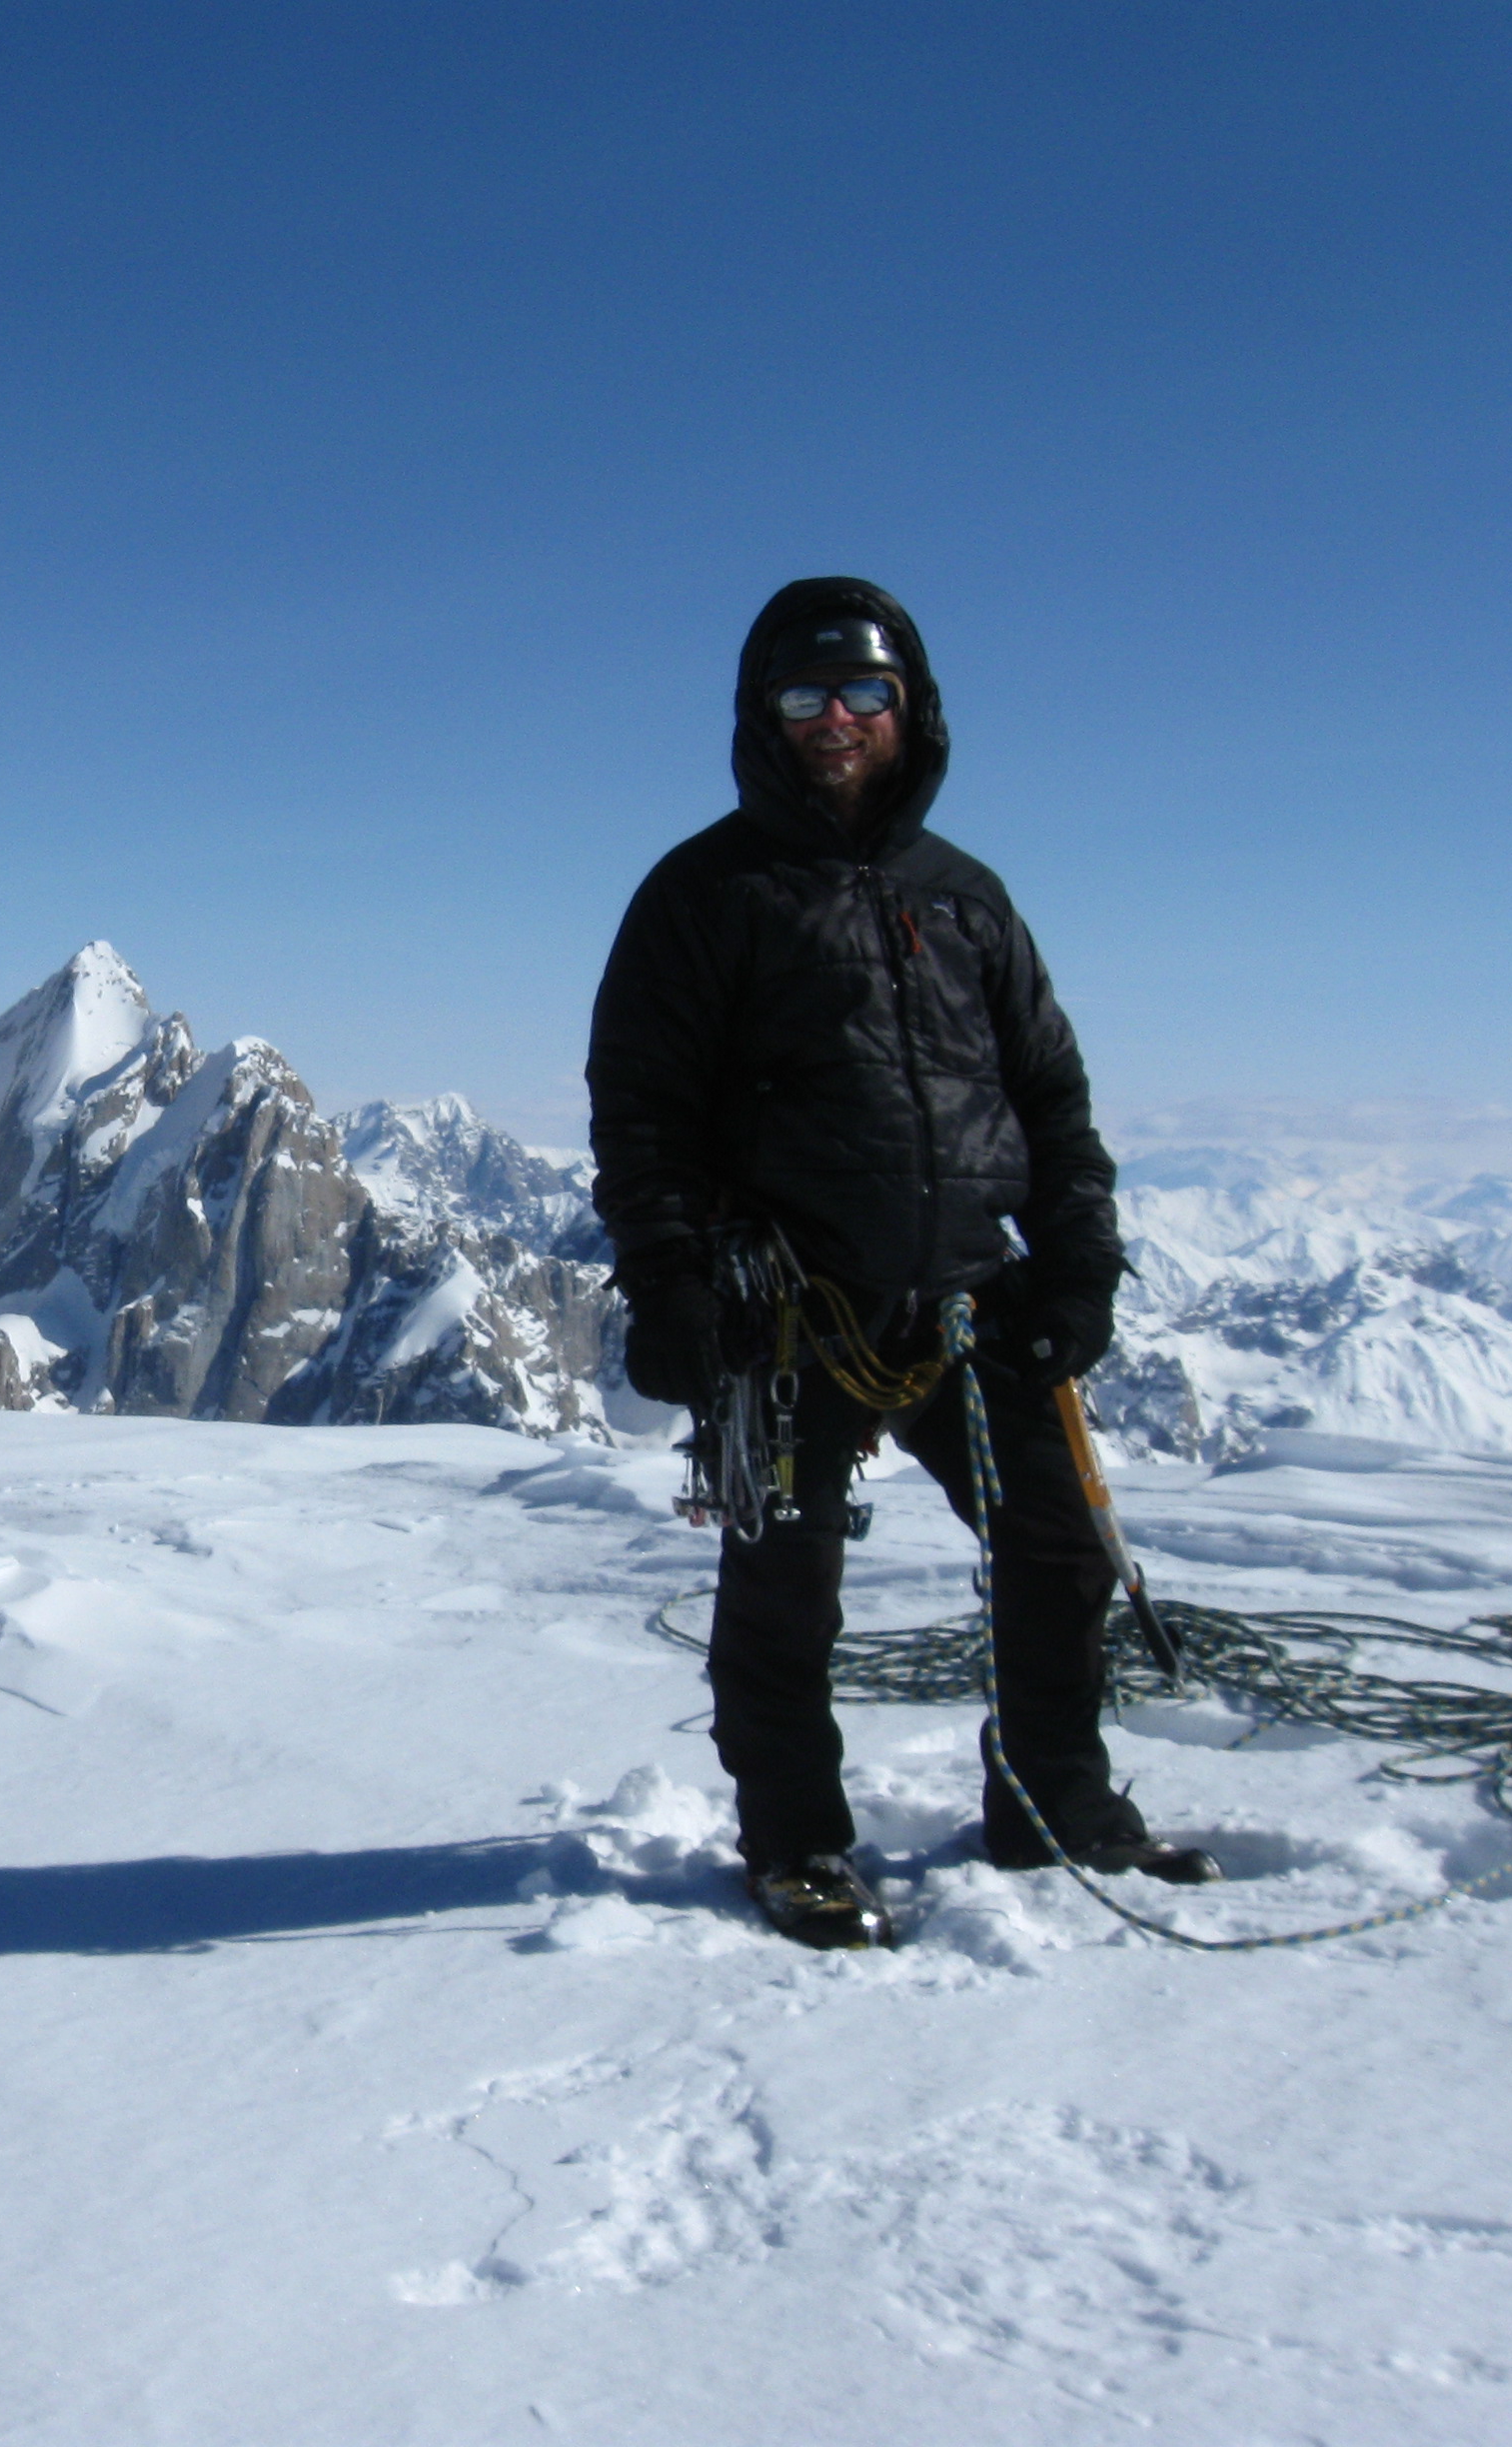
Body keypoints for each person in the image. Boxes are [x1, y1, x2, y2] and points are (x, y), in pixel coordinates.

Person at [585, 576, 1217, 1949]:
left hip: (969, 1295)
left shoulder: (968, 899)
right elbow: (643, 1113)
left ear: (908, 709)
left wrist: (1079, 1265)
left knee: (1059, 1551)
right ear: (764, 714)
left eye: (863, 694)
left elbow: (1050, 1099)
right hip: (790, 1307)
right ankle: (797, 1841)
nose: (837, 721)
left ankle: (1054, 1805)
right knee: (786, 1586)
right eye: (805, 696)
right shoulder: (704, 895)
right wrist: (673, 1285)